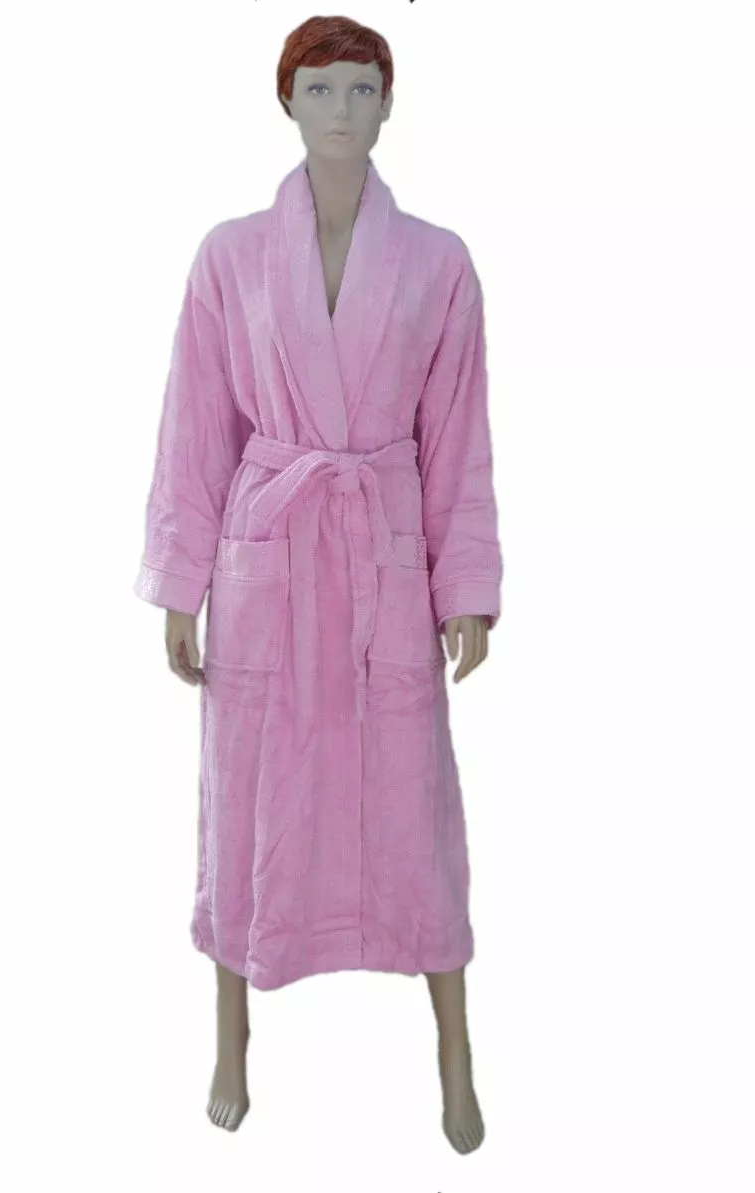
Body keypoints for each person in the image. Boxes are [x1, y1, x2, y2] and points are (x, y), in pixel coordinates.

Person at [134, 15, 502, 1155]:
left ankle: (454, 1046)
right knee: (248, 794)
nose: (341, 111)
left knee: (412, 806)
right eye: (320, 89)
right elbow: (196, 424)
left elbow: (458, 440)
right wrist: (181, 582)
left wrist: (464, 584)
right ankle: (229, 1033)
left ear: (389, 104)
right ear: (286, 103)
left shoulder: (438, 262)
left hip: (380, 554)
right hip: (269, 560)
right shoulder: (228, 256)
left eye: (361, 89)